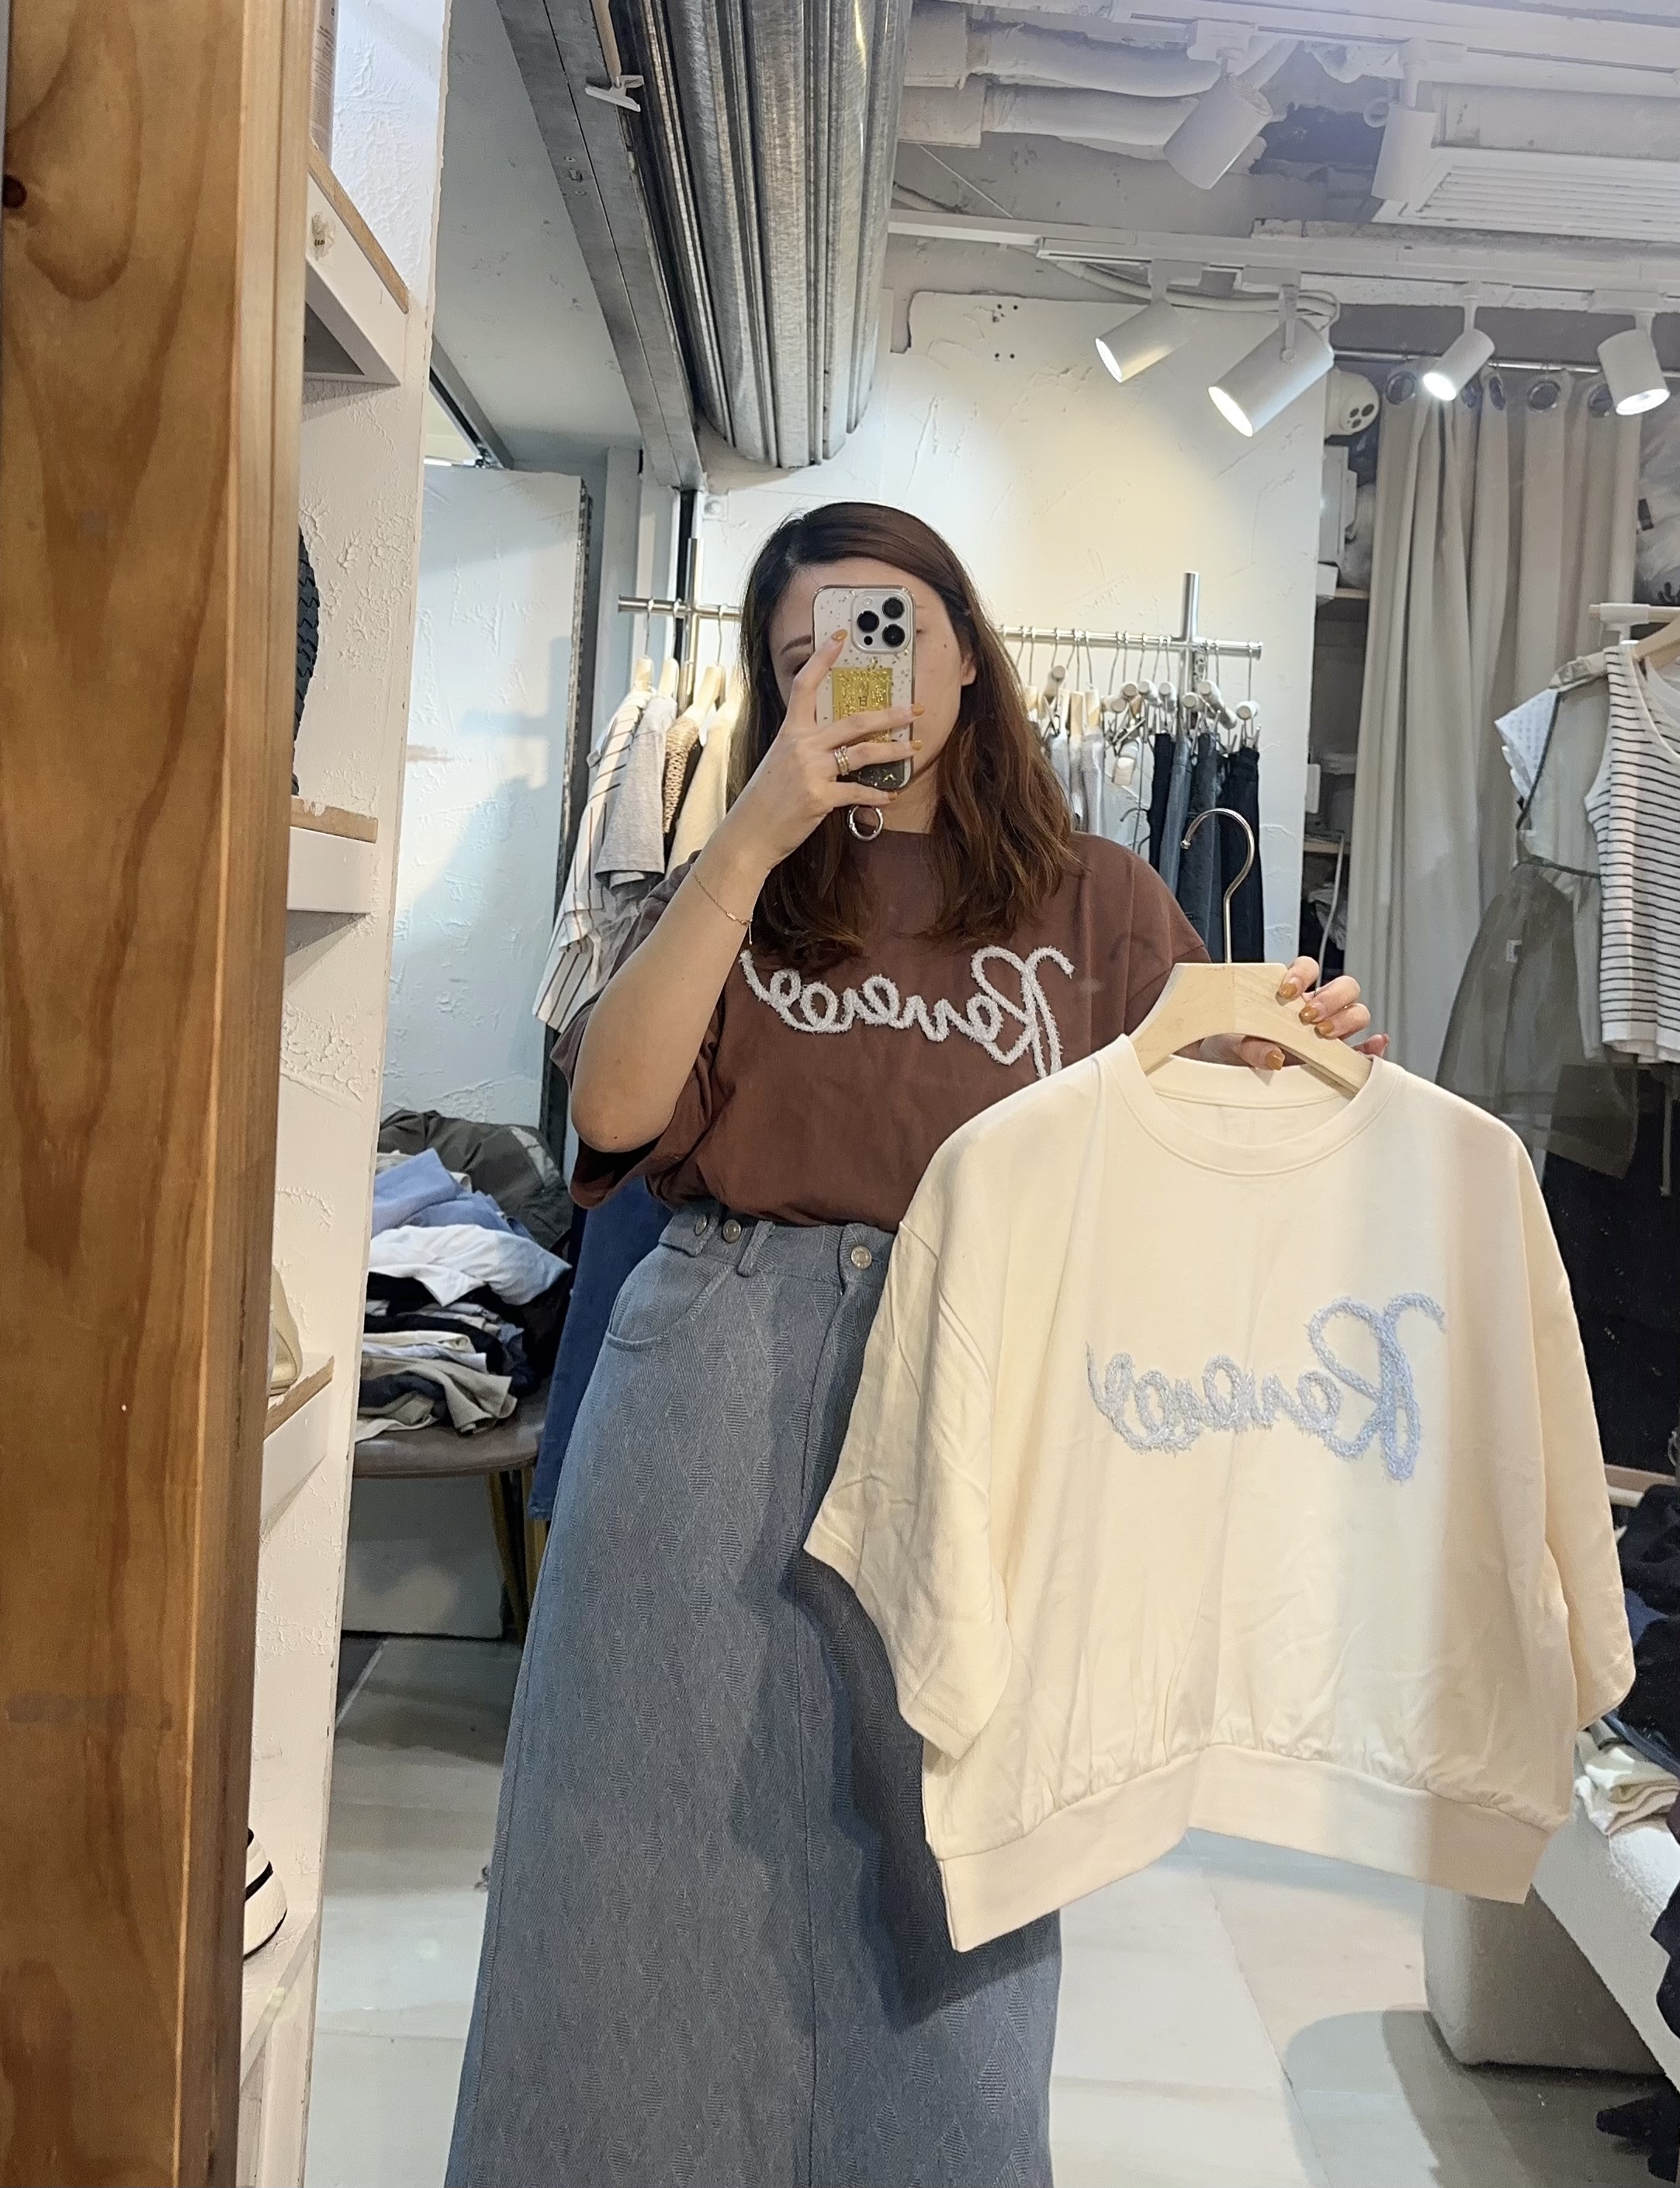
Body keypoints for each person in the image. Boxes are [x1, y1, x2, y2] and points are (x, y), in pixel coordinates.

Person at [447, 502, 1383, 2188]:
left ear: (963, 649)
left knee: (952, 1875)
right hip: (714, 1378)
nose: (848, 674)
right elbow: (616, 1111)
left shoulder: (1098, 904)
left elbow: (1208, 1165)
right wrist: (751, 837)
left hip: (979, 1399)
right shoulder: (737, 886)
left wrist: (1298, 1055)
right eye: (800, 655)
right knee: (640, 1851)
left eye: (883, 630)